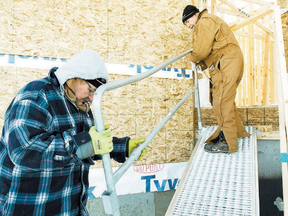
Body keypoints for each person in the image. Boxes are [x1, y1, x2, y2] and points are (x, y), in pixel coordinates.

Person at [0, 49, 147, 215]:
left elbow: (86, 146)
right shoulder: (37, 94)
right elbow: (23, 150)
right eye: (91, 90)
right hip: (32, 207)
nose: (92, 98)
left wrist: (121, 146)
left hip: (67, 207)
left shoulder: (81, 106)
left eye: (96, 93)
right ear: (73, 78)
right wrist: (83, 144)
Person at [182, 5, 251, 154]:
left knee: (221, 101)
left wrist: (192, 59)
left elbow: (201, 49)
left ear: (196, 14)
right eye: (186, 24)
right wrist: (202, 63)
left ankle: (227, 142)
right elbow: (212, 49)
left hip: (227, 61)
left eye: (188, 21)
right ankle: (236, 132)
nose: (189, 26)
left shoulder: (204, 22)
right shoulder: (210, 20)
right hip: (230, 60)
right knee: (226, 99)